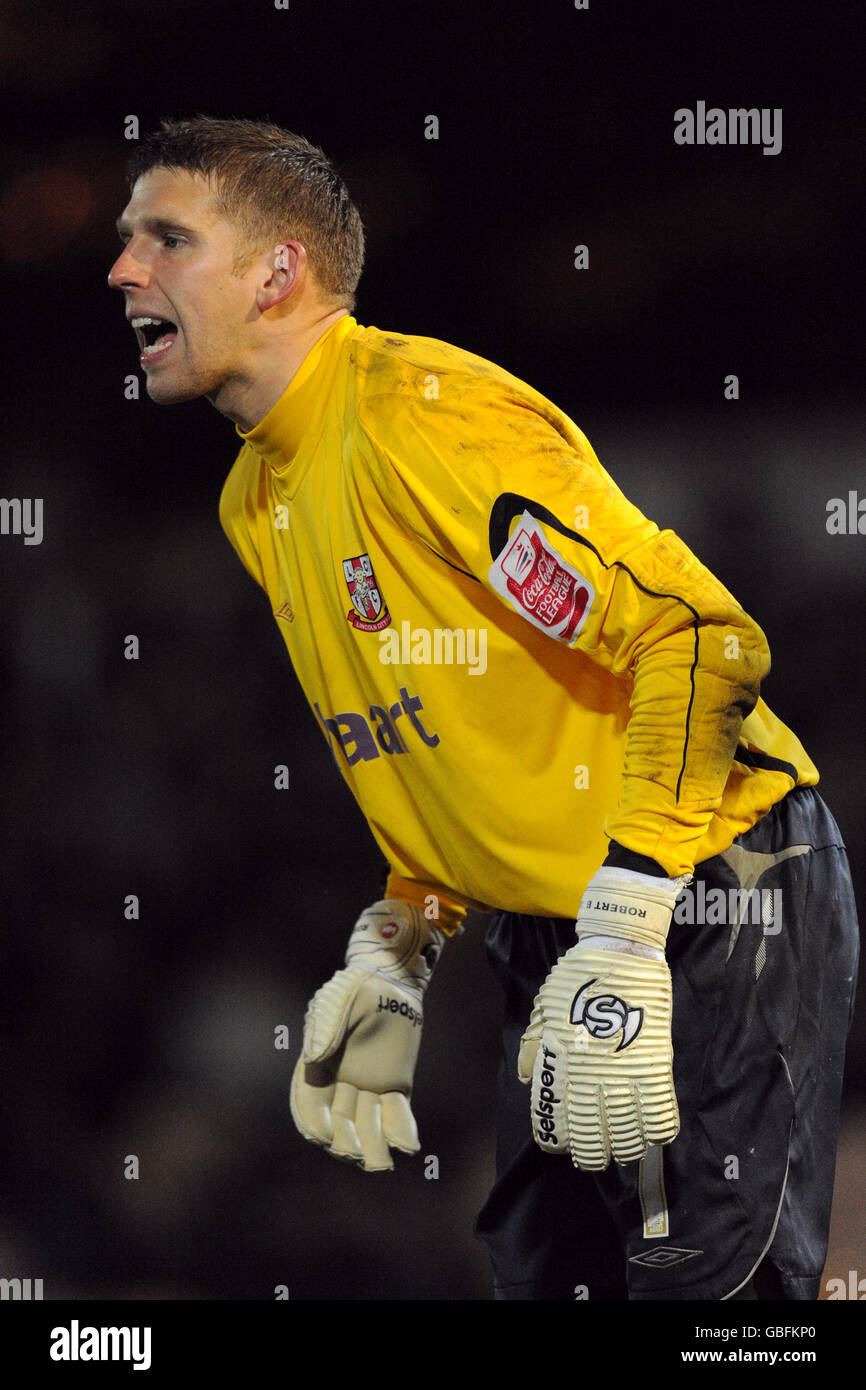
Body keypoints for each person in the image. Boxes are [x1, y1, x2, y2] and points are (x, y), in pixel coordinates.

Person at [108, 116, 859, 1301]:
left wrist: (623, 924)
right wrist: (400, 942)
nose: (121, 268)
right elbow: (424, 736)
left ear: (277, 271)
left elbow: (704, 639)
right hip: (553, 926)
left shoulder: (424, 416)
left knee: (720, 1303)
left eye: (164, 237)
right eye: (125, 240)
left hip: (705, 882)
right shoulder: (255, 498)